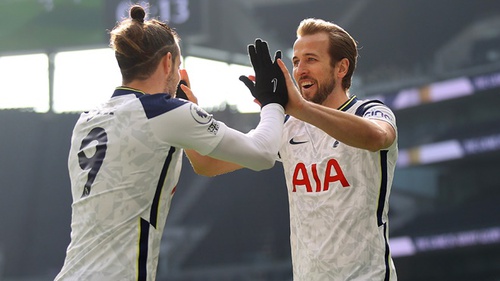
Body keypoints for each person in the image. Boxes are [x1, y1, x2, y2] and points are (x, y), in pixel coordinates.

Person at [54, 4, 288, 281]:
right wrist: (272, 103)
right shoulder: (163, 111)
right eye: (177, 66)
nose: (178, 74)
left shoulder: (87, 120)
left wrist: (190, 119)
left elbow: (206, 166)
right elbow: (262, 154)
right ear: (167, 62)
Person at [185, 18, 398, 280]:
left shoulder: (370, 111)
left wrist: (298, 107)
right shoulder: (289, 127)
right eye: (296, 61)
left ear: (342, 67)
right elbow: (207, 164)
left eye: (311, 59)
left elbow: (378, 137)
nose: (300, 70)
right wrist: (187, 120)